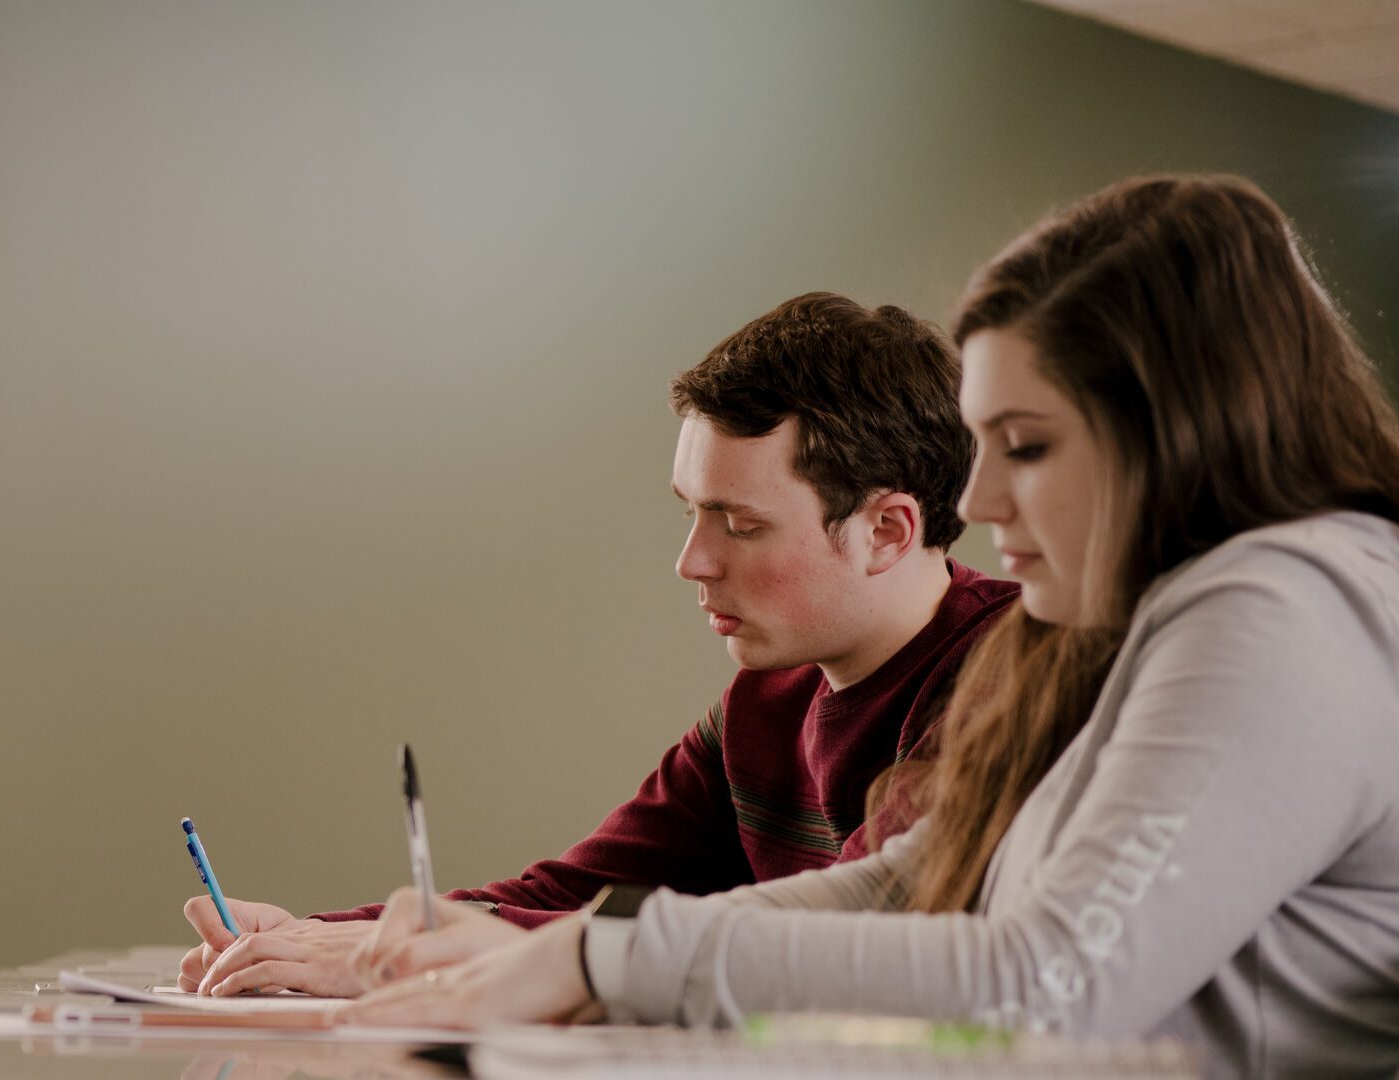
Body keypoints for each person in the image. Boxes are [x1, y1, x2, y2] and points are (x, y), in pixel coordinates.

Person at [342, 174, 1399, 1079]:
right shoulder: (1161, 620)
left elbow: (1042, 983)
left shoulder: (1280, 608)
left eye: (1025, 446)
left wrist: (601, 964)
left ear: (1175, 433)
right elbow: (919, 880)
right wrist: (580, 954)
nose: (977, 499)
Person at [181, 293, 1020, 998]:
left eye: (740, 524)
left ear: (887, 530)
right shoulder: (764, 705)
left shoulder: (1014, 681)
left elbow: (852, 934)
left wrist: (426, 960)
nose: (692, 561)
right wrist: (314, 943)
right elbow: (575, 895)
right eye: (690, 512)